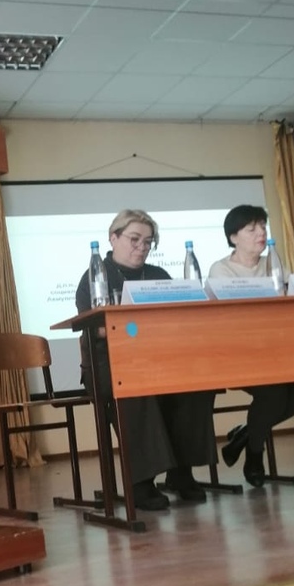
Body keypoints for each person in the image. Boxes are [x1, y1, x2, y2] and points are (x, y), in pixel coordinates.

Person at [75, 210, 217, 511]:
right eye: (134, 239)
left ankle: (182, 472)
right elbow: (96, 329)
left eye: (149, 242)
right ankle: (140, 482)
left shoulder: (158, 276)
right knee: (134, 387)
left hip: (157, 362)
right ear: (113, 238)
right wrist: (138, 328)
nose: (142, 247)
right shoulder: (94, 277)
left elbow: (177, 321)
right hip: (108, 366)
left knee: (196, 386)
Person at [207, 204, 294, 487]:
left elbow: (290, 304)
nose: (260, 233)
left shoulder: (274, 264)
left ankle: (246, 434)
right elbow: (235, 316)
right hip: (237, 355)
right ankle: (255, 455)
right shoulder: (221, 269)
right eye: (251, 228)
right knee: (273, 392)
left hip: (276, 352)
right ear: (233, 237)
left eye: (263, 226)